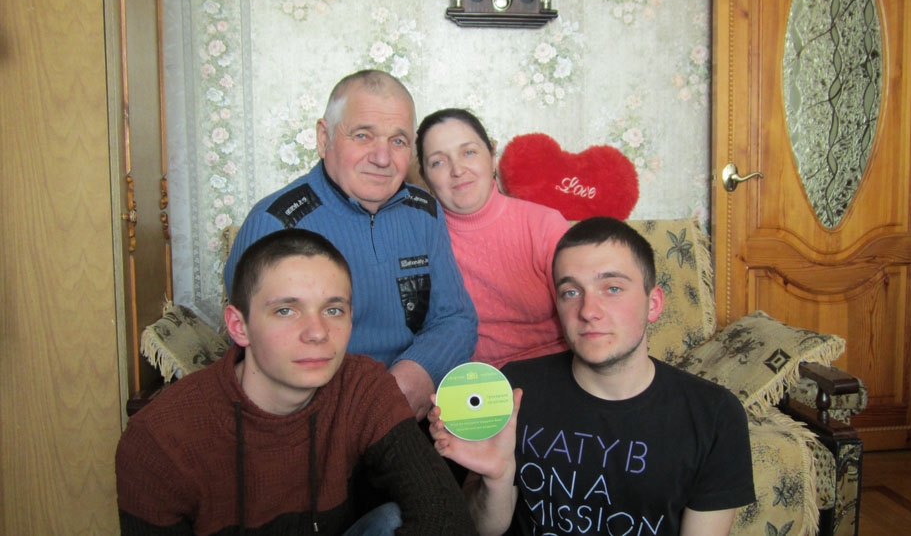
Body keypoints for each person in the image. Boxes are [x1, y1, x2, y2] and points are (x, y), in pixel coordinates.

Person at [117, 228, 477, 535]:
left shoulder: (362, 386)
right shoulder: (159, 439)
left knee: (393, 519)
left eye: (333, 310)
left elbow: (444, 516)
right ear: (238, 326)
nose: (318, 333)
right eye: (286, 311)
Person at [428, 217, 756, 536]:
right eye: (571, 292)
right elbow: (481, 528)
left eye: (612, 288)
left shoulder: (714, 416)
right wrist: (497, 479)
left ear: (653, 304)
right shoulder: (512, 390)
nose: (587, 311)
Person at [224, 70, 477, 421]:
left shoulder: (424, 211)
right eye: (363, 135)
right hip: (315, 418)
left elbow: (456, 318)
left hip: (410, 408)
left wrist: (417, 372)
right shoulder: (277, 223)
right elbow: (258, 356)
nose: (383, 158)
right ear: (323, 137)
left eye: (398, 141)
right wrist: (362, 406)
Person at [416, 108, 569, 369]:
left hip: (554, 369)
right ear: (426, 178)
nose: (457, 170)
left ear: (492, 156)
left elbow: (587, 312)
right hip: (471, 386)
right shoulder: (421, 239)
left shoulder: (543, 225)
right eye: (438, 162)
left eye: (469, 152)